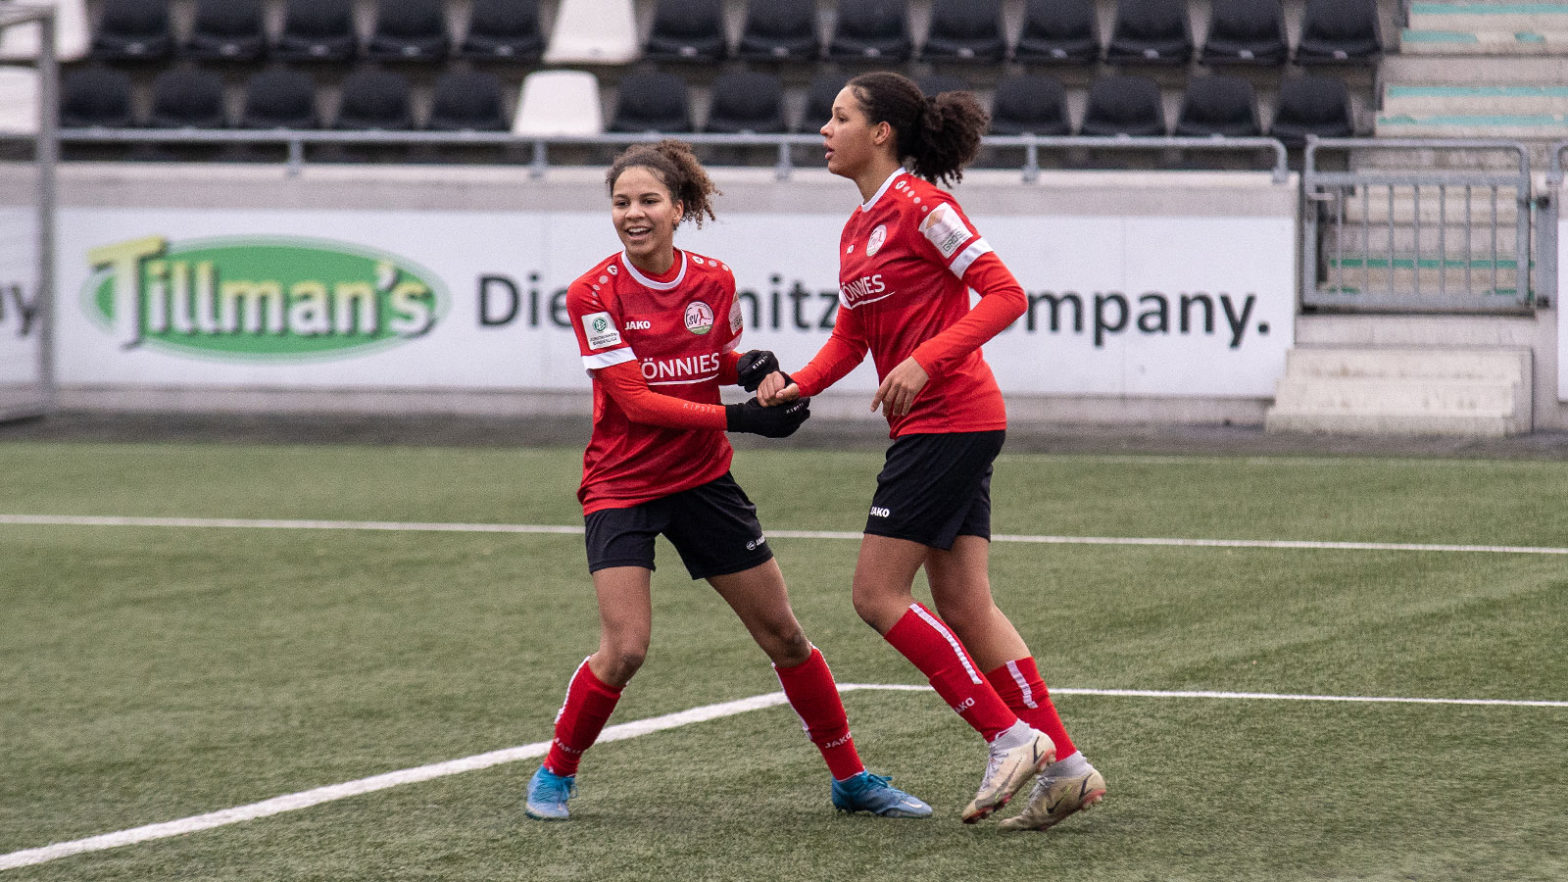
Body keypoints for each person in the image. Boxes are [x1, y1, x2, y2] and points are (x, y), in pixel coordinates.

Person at [524, 139, 931, 823]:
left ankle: (851, 779)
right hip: (622, 485)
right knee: (625, 649)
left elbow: (706, 358)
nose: (633, 213)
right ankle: (556, 770)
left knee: (786, 638)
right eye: (622, 202)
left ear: (679, 208)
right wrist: (742, 416)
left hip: (703, 482)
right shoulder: (592, 293)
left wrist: (750, 366)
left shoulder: (712, 279)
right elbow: (636, 401)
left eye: (648, 200)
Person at [756, 72, 1107, 830]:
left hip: (951, 418)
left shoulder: (924, 206)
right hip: (947, 423)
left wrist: (924, 361)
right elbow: (852, 337)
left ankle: (1008, 736)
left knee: (875, 596)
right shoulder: (857, 228)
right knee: (966, 603)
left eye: (839, 116)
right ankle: (1070, 768)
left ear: (881, 132)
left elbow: (1006, 294)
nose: (824, 128)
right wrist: (797, 386)